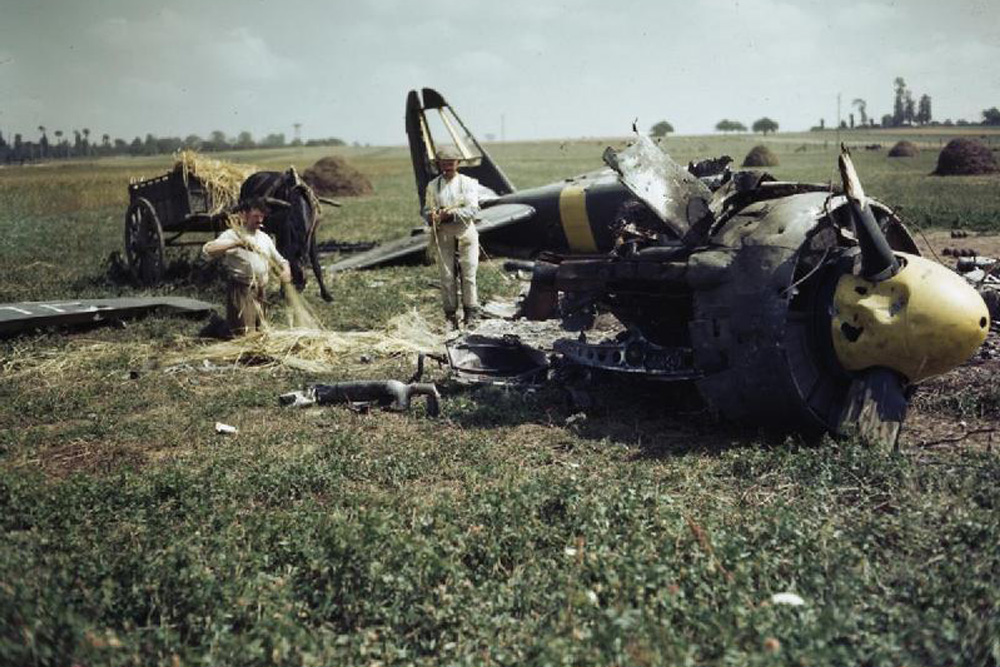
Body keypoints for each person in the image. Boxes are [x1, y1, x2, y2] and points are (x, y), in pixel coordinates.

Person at [202, 197, 292, 336]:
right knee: (245, 335)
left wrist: (286, 270)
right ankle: (221, 332)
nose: (260, 220)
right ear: (244, 215)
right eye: (256, 216)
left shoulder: (264, 238)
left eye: (262, 216)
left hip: (261, 291)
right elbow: (208, 250)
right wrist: (236, 244)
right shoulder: (233, 235)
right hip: (242, 290)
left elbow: (281, 260)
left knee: (262, 331)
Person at [422, 145, 481, 328]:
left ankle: (471, 313)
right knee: (446, 275)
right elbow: (426, 209)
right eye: (444, 164)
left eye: (451, 163)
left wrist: (451, 214)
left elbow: (473, 209)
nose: (448, 167)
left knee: (468, 272)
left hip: (465, 230)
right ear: (438, 164)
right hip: (443, 232)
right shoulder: (433, 186)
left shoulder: (469, 183)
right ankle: (450, 316)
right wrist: (430, 216)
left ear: (458, 163)